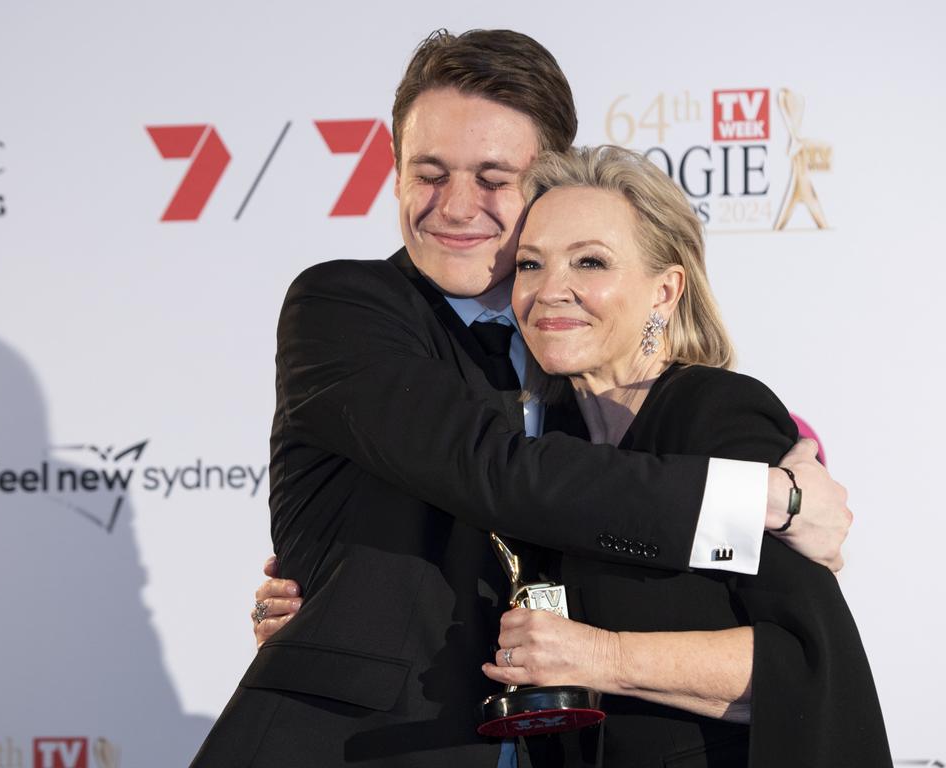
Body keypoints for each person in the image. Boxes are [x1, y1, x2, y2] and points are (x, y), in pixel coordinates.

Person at [193, 30, 850, 768]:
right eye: (429, 173)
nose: (456, 206)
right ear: (395, 172)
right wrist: (763, 498)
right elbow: (498, 470)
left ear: (547, 182)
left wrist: (783, 448)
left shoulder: (584, 369)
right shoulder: (344, 307)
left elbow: (786, 645)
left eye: (494, 177)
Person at [470, 145, 889, 766]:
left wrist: (603, 656)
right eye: (531, 264)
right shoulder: (539, 441)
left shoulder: (718, 412)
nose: (550, 290)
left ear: (664, 291)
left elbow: (805, 660)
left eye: (589, 261)